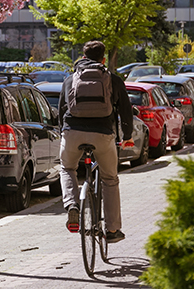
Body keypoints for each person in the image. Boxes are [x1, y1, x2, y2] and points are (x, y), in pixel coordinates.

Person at [59, 40, 133, 243]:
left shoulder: (70, 79)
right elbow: (126, 111)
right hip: (103, 134)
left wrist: (63, 133)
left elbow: (61, 111)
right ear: (103, 59)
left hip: (72, 132)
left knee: (67, 168)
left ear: (83, 57)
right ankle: (112, 230)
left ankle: (72, 205)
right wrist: (127, 136)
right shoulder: (113, 79)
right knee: (110, 179)